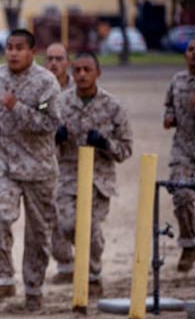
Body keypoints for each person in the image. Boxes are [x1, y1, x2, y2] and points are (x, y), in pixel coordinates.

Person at [0, 29, 62, 311]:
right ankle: (2, 278)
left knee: (39, 234)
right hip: (4, 163)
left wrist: (17, 108)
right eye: (9, 47)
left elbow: (50, 124)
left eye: (19, 48)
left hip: (39, 168)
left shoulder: (46, 82)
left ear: (32, 51)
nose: (13, 53)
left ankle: (34, 288)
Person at [49, 51, 133, 295]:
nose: (82, 75)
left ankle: (93, 276)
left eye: (87, 70)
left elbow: (126, 149)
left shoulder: (113, 106)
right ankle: (81, 264)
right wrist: (56, 138)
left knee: (92, 230)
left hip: (98, 181)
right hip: (67, 179)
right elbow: (44, 143)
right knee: (66, 225)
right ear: (71, 72)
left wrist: (105, 144)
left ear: (98, 72)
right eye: (78, 70)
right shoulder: (60, 103)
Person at [163, 35, 195, 271]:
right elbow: (169, 104)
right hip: (184, 150)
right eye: (190, 49)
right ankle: (189, 245)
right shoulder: (177, 81)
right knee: (182, 193)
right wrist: (169, 117)